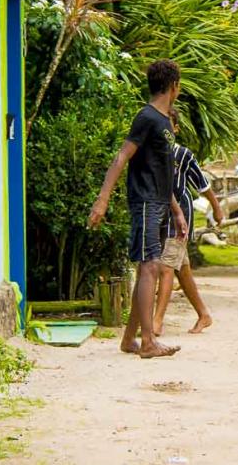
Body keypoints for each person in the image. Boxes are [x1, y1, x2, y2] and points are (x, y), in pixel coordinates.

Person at [88, 59, 186, 359]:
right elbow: (122, 157)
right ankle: (148, 342)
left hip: (159, 202)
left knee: (149, 267)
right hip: (144, 201)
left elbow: (163, 171)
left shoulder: (165, 122)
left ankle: (130, 338)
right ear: (174, 86)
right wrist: (102, 199)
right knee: (149, 266)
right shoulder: (147, 117)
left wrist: (176, 209)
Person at [152, 108, 224, 336]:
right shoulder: (150, 153)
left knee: (165, 267)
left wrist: (217, 208)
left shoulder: (182, 155)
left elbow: (203, 185)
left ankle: (157, 322)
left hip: (179, 216)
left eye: (168, 124)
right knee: (181, 270)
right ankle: (204, 314)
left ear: (175, 129)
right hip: (158, 216)